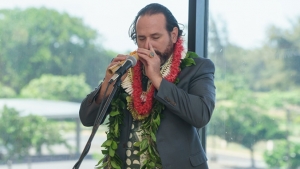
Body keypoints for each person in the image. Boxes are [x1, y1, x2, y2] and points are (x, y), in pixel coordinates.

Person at [79, 3, 215, 169]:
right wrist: (106, 86)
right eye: (141, 38)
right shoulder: (127, 69)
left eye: (155, 37)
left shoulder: (197, 68)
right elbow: (87, 119)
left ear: (173, 35)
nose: (147, 46)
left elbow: (200, 115)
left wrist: (157, 78)